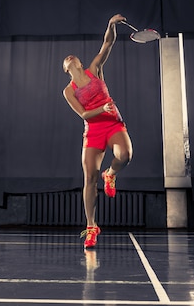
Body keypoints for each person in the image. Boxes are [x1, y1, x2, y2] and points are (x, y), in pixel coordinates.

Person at [62, 13, 133, 248]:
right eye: (66, 60)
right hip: (92, 130)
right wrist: (101, 107)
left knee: (125, 155)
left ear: (80, 63)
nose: (70, 58)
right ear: (66, 69)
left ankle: (111, 174)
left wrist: (110, 25)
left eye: (73, 57)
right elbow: (83, 114)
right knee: (89, 178)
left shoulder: (94, 69)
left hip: (112, 123)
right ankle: (91, 226)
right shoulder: (69, 91)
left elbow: (108, 43)